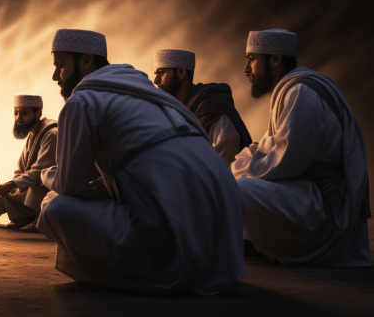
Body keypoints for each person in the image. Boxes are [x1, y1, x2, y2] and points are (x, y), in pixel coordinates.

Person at [37, 28, 245, 294]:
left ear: (87, 60)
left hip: (179, 242)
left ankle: (145, 275)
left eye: (60, 65)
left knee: (54, 206)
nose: (55, 75)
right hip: (221, 247)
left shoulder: (84, 100)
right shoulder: (144, 91)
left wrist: (46, 175)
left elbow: (69, 186)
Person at [232, 29, 371, 266]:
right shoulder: (292, 90)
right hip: (311, 193)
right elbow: (269, 148)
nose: (246, 68)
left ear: (275, 59)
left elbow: (284, 162)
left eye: (252, 58)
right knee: (238, 181)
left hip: (326, 207)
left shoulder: (301, 93)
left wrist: (241, 165)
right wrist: (249, 160)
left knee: (240, 187)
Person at [153, 49, 252, 165]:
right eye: (156, 74)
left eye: (161, 73)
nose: (156, 81)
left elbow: (223, 164)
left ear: (180, 72)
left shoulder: (213, 108)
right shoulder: (179, 115)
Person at [0, 94, 56, 231]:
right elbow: (20, 169)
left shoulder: (51, 133)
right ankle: (26, 218)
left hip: (52, 186)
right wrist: (12, 184)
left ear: (38, 113)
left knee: (35, 183)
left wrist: (14, 183)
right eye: (16, 113)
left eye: (24, 113)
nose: (18, 118)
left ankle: (41, 219)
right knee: (9, 191)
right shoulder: (33, 133)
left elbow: (40, 171)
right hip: (34, 184)